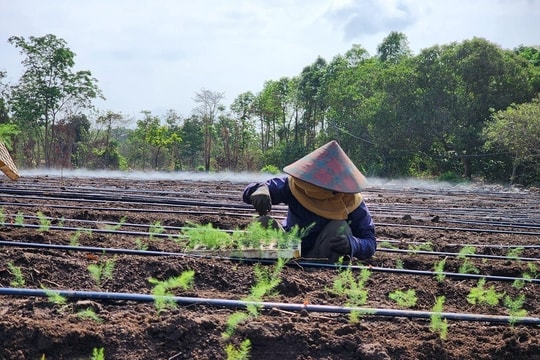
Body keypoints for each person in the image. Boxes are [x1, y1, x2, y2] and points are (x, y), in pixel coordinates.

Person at [243, 140, 376, 262]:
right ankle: (271, 264)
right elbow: (256, 190)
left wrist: (353, 244)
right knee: (264, 223)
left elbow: (370, 242)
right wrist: (260, 190)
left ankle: (322, 273)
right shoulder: (295, 185)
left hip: (322, 256)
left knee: (340, 228)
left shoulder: (351, 201)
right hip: (287, 248)